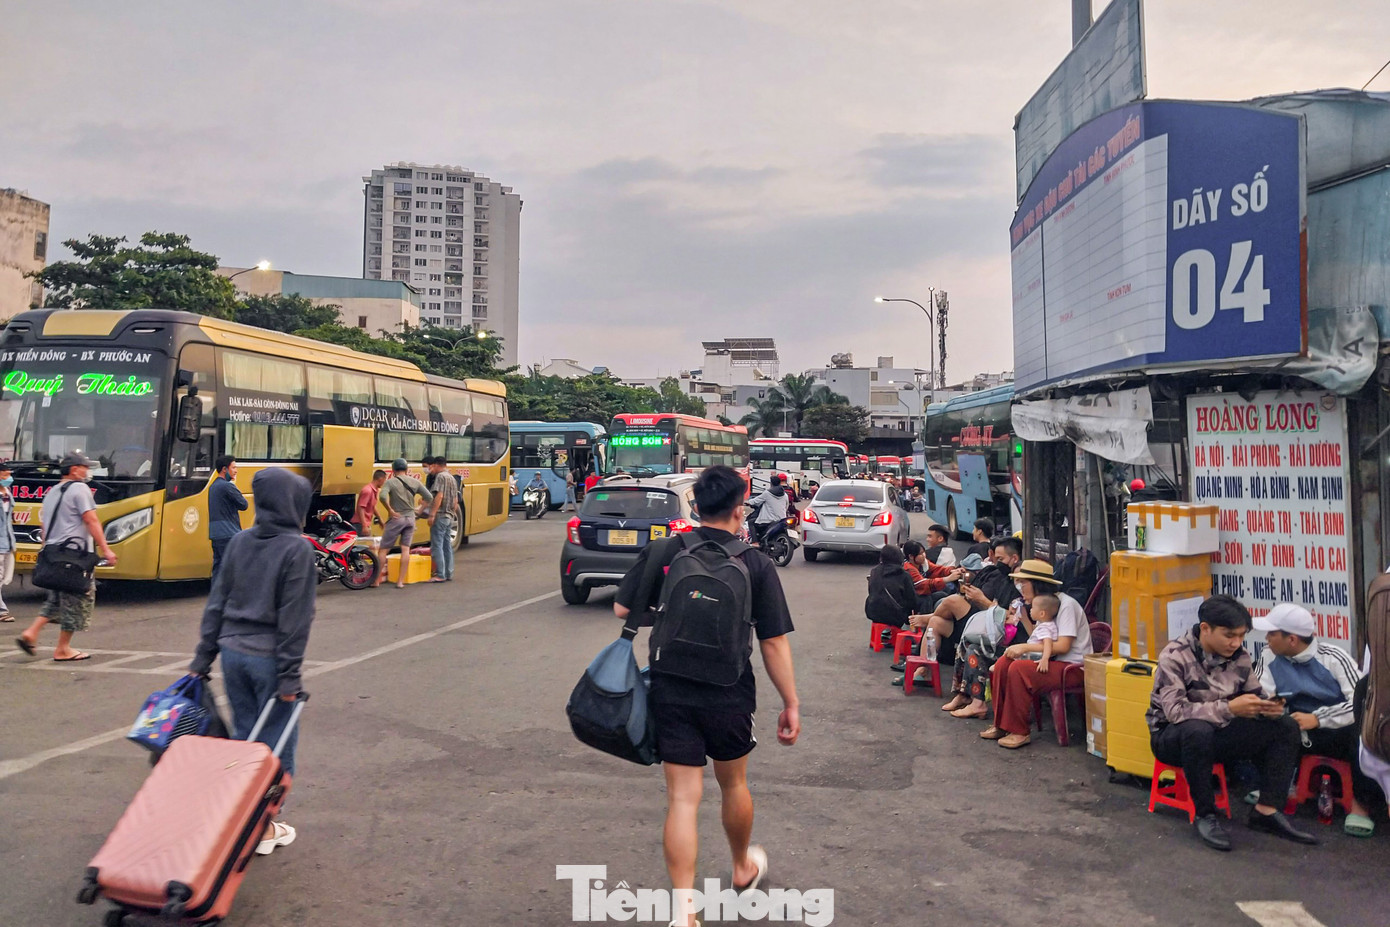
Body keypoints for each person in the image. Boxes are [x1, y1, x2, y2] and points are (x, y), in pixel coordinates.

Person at [613, 465, 800, 927]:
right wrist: (790, 702)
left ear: (696, 506)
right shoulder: (755, 562)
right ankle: (741, 867)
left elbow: (623, 608)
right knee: (733, 783)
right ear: (740, 510)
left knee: (682, 798)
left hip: (671, 685)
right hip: (729, 688)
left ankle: (684, 911)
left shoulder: (665, 550)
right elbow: (774, 641)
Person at [189, 468, 316, 857]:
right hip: (269, 661)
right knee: (277, 747)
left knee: (247, 740)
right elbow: (295, 619)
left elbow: (217, 603)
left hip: (233, 657)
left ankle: (248, 817)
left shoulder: (240, 542)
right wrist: (290, 677)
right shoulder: (298, 549)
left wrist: (202, 658)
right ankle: (264, 827)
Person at [1147, 595, 1315, 851]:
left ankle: (1266, 810)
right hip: (1172, 737)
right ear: (1206, 628)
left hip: (1220, 733)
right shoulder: (1174, 656)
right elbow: (1176, 712)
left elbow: (1254, 694)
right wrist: (1229, 708)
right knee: (1197, 730)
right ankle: (1205, 814)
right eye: (1229, 635)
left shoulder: (1240, 656)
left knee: (1285, 726)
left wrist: (1267, 707)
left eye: (1241, 635)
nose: (1236, 642)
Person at [1254, 603, 1374, 837]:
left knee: (1360, 731)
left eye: (1272, 633)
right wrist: (1270, 706)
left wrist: (1318, 719)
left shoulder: (1334, 657)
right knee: (1263, 725)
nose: (1266, 638)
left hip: (1336, 731)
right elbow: (1261, 693)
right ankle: (1276, 789)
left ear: (1292, 639)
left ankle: (1361, 805)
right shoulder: (1267, 655)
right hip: (1294, 727)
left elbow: (1361, 703)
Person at [978, 560, 1093, 748]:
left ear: (1037, 584)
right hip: (1052, 663)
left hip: (1072, 668)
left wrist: (1025, 648)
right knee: (1003, 663)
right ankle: (1001, 724)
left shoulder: (1066, 605)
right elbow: (1038, 637)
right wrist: (1023, 614)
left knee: (1019, 669)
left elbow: (1063, 646)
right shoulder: (1043, 604)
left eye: (1024, 583)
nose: (1020, 588)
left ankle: (1019, 731)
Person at [14, 454, 117, 661]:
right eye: (84, 467)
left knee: (57, 598)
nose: (87, 471)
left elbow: (44, 526)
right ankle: (63, 649)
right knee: (79, 596)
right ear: (74, 470)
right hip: (75, 555)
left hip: (53, 553)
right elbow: (91, 519)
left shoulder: (52, 492)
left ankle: (31, 632)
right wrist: (105, 549)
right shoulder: (80, 489)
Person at [906, 536, 1022, 673]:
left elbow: (1009, 616)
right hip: (978, 621)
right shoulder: (998, 574)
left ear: (1014, 558)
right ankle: (922, 670)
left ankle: (926, 618)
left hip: (994, 629)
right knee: (935, 622)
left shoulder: (1018, 583)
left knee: (951, 601)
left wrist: (982, 600)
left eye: (1001, 559)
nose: (996, 562)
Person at [372, 458, 432, 589]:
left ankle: (376, 581)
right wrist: (420, 510)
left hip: (396, 519)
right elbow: (429, 497)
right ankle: (400, 581)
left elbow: (382, 497)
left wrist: (390, 510)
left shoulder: (391, 482)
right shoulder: (415, 482)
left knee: (383, 550)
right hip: (410, 519)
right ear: (406, 469)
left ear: (393, 470)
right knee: (405, 549)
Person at [208, 455, 247, 582]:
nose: (236, 471)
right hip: (229, 533)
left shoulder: (213, 486)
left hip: (215, 533)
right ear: (224, 469)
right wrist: (234, 486)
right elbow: (244, 504)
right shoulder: (227, 486)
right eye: (234, 467)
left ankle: (216, 598)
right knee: (233, 569)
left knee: (218, 569)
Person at [866, 545, 918, 629]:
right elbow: (912, 601)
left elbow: (872, 591)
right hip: (896, 617)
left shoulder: (874, 571)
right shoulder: (904, 575)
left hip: (873, 613)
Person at [426, 457, 459, 583]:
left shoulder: (440, 477)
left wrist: (432, 514)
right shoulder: (452, 477)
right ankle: (448, 573)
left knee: (437, 545)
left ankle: (440, 574)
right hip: (449, 516)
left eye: (431, 466)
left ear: (435, 465)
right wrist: (452, 513)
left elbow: (439, 496)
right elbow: (455, 500)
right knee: (447, 546)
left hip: (440, 515)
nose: (429, 469)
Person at [747, 473, 792, 546]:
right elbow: (786, 507)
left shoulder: (767, 493)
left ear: (771, 483)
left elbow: (755, 501)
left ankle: (755, 542)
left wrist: (747, 502)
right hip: (781, 519)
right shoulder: (785, 495)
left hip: (767, 521)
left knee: (751, 522)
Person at [0, 462, 14, 622]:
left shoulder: (8, 494)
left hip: (7, 543)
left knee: (3, 578)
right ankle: (2, 611)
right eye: (4, 475)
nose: (8, 478)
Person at [354, 469, 387, 538]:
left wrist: (380, 519)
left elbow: (372, 506)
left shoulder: (374, 490)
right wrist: (364, 525)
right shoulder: (368, 490)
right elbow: (360, 508)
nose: (384, 483)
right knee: (366, 546)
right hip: (360, 524)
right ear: (380, 479)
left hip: (365, 523)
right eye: (384, 480)